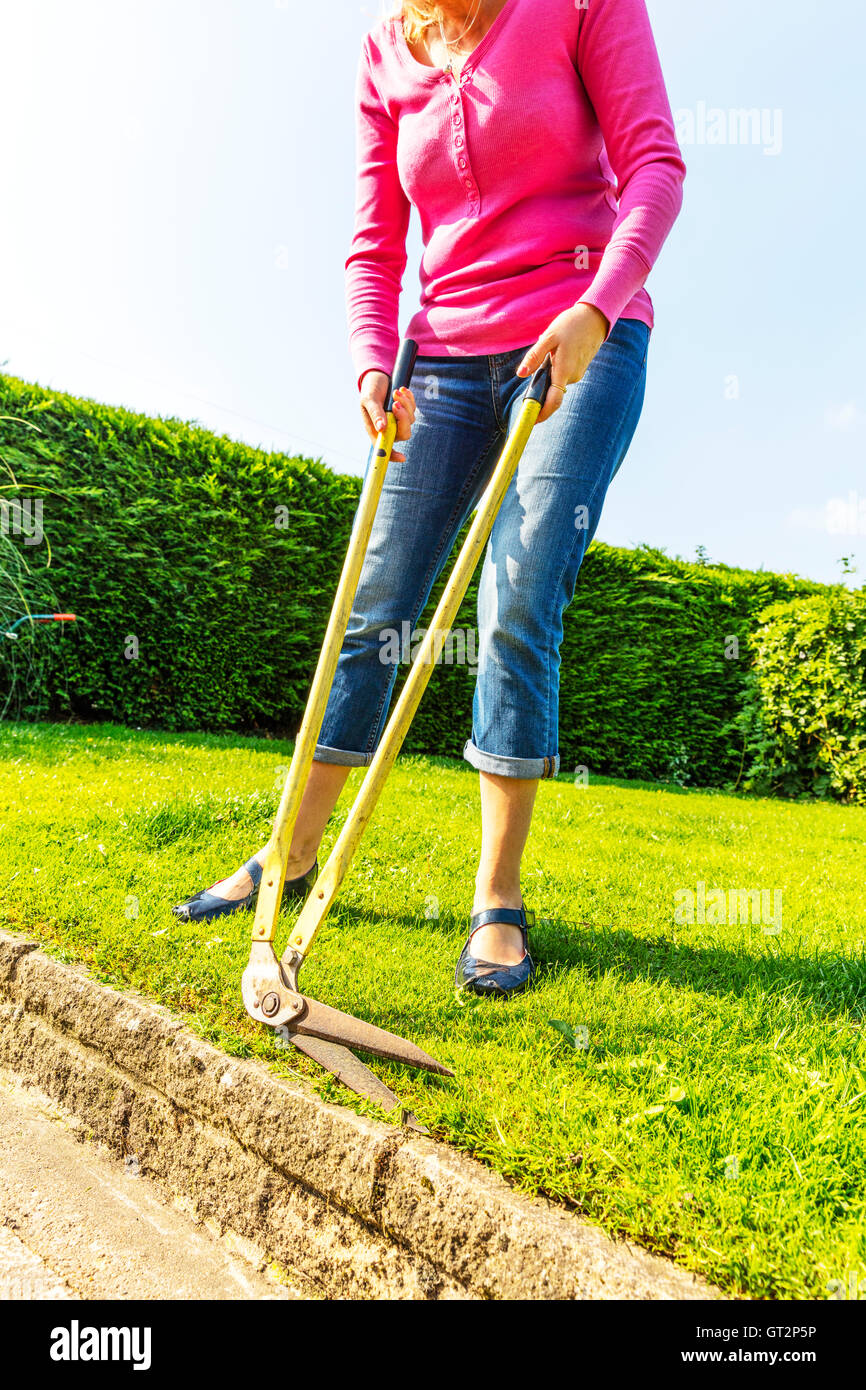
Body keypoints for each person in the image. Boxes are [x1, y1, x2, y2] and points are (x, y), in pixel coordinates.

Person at [174, 0, 686, 999]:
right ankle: (289, 853)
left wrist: (594, 311)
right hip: (441, 362)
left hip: (581, 336)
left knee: (517, 596)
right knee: (376, 603)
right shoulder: (384, 50)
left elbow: (655, 170)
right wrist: (374, 364)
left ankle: (496, 898)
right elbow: (374, 238)